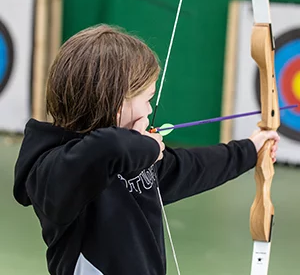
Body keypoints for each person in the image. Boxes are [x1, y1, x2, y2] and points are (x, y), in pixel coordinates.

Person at [13, 24, 279, 275]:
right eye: (147, 99)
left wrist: (251, 150)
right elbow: (107, 147)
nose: (150, 110)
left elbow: (192, 167)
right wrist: (147, 147)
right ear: (116, 104)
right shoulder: (51, 172)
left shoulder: (132, 159)